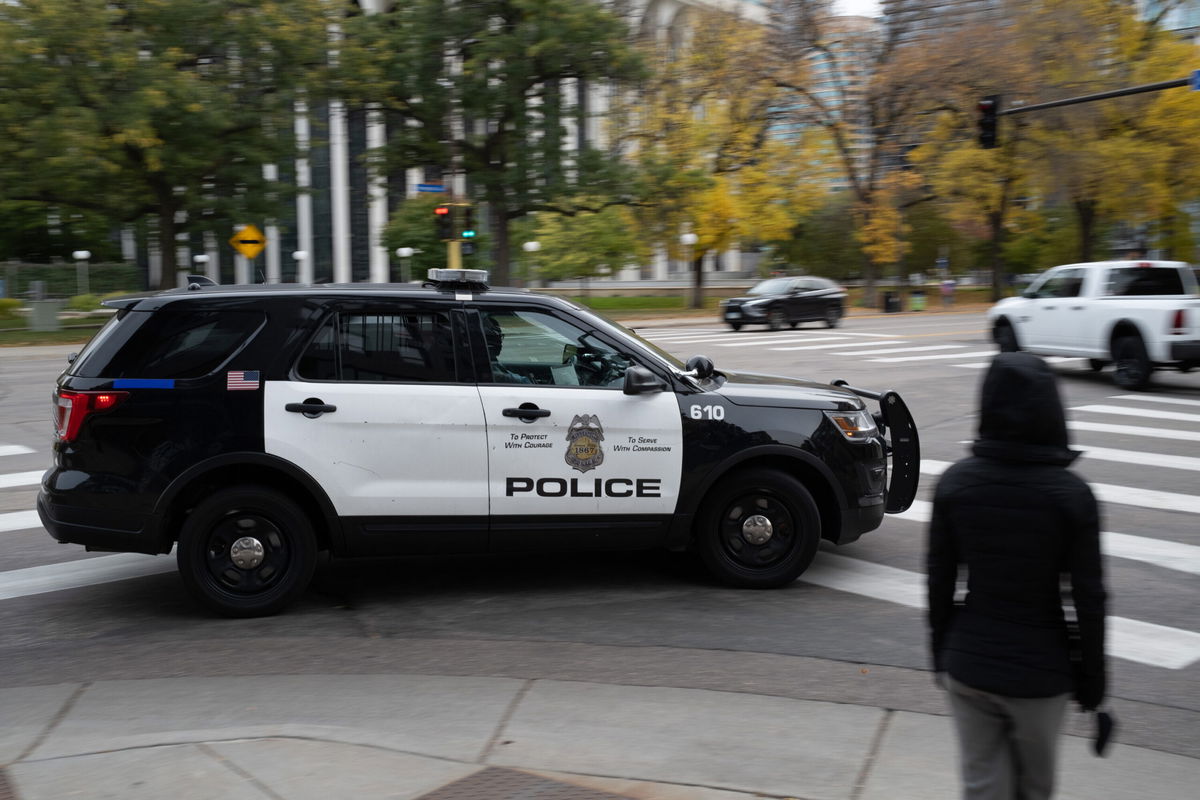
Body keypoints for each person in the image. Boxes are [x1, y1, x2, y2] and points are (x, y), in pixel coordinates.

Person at [927, 352, 1106, 800]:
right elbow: (1089, 598)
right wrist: (1093, 683)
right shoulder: (1072, 496)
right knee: (1035, 789)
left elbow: (939, 583)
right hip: (1042, 674)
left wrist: (942, 654)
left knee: (983, 787)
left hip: (969, 663)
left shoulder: (955, 485)